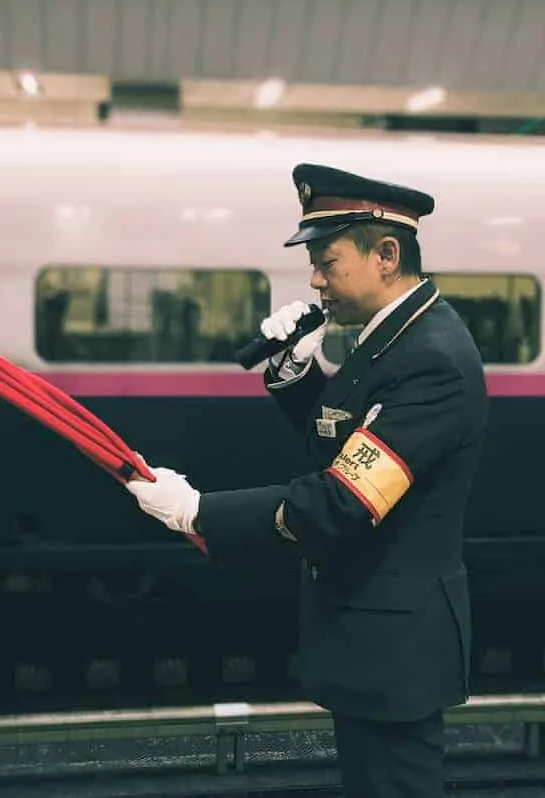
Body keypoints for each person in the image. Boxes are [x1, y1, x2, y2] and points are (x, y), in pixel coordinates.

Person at [125, 163, 489, 797]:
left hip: (393, 650)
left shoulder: (432, 360)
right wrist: (294, 373)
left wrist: (197, 511)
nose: (316, 279)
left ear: (386, 254)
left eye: (327, 260)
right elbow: (357, 445)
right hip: (373, 639)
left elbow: (345, 499)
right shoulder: (396, 338)